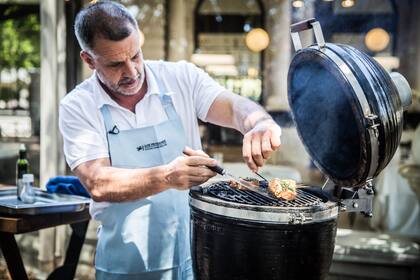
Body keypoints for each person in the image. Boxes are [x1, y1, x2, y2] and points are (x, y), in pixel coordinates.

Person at [59, 1, 281, 279]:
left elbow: (234, 107)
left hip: (195, 256)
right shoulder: (78, 106)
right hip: (127, 266)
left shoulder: (180, 77)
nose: (131, 72)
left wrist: (259, 123)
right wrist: (166, 176)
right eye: (116, 64)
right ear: (89, 60)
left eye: (135, 56)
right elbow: (99, 182)